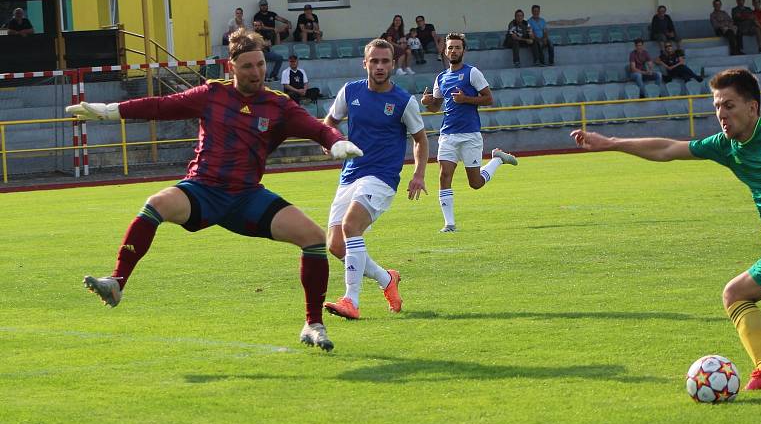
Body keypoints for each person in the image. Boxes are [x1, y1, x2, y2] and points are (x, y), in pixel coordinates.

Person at [66, 29, 363, 352]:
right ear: (231, 66)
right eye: (248, 66)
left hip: (247, 197)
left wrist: (337, 142)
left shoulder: (279, 105)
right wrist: (110, 111)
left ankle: (313, 323)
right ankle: (117, 283)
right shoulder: (213, 95)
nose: (257, 72)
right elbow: (161, 106)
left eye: (261, 65)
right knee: (155, 204)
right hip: (203, 190)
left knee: (314, 238)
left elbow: (317, 129)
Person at [571, 68, 761, 392]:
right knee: (735, 294)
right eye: (718, 106)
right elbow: (667, 149)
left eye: (729, 106)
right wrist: (610, 142)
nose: (721, 114)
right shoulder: (725, 146)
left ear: (753, 108)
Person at [321, 38, 428, 320]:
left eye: (385, 61)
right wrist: (328, 140)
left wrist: (418, 173)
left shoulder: (404, 101)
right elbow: (329, 123)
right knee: (335, 245)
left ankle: (351, 300)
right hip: (350, 174)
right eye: (374, 61)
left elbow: (420, 139)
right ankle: (386, 279)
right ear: (365, 63)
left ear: (393, 64)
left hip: (381, 177)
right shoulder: (350, 92)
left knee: (350, 226)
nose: (380, 66)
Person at [421, 32, 518, 233]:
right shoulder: (441, 78)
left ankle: (498, 159)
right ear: (445, 51)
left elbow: (488, 99)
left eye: (457, 47)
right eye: (450, 48)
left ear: (463, 50)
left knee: (475, 183)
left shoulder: (472, 73)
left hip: (470, 134)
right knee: (443, 175)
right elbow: (436, 107)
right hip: (448, 134)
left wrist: (466, 99)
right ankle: (449, 224)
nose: (453, 51)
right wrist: (428, 102)